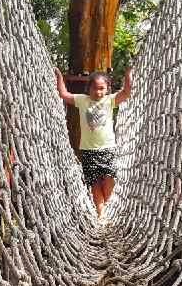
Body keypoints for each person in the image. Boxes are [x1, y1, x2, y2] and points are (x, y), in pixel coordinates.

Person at [56, 67, 132, 216]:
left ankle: (108, 204)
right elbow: (64, 95)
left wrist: (128, 74)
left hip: (107, 148)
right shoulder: (82, 100)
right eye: (95, 88)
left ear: (107, 89)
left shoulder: (110, 100)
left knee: (109, 178)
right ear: (88, 88)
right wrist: (59, 77)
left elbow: (126, 93)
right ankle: (101, 212)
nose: (98, 92)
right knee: (95, 182)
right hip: (88, 150)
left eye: (102, 88)